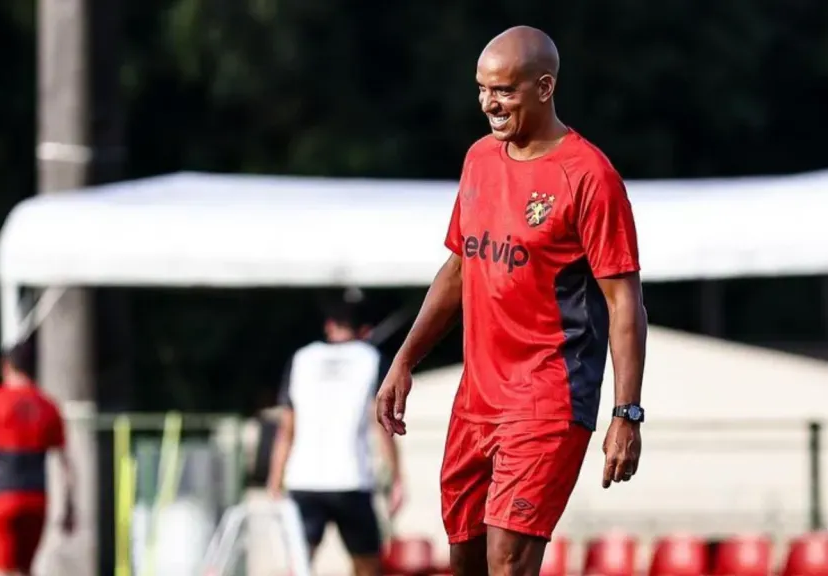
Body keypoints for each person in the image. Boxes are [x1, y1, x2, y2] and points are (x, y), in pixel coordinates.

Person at [376, 25, 648, 576]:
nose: (488, 104)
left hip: (547, 398)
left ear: (544, 87)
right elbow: (459, 268)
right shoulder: (479, 158)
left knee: (508, 561)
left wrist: (627, 413)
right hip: (476, 400)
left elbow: (626, 304)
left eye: (503, 90)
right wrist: (404, 359)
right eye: (481, 89)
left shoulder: (589, 177)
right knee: (466, 560)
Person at [267, 302, 404, 576]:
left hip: (303, 479)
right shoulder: (371, 359)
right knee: (367, 566)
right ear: (365, 331)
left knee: (300, 563)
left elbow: (286, 429)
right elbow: (381, 424)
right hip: (351, 480)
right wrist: (397, 479)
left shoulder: (302, 358)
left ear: (329, 326)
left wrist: (274, 480)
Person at [0, 340, 75, 576]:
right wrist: (69, 506)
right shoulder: (48, 405)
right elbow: (66, 463)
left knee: (0, 570)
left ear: (5, 366)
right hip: (36, 499)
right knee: (25, 570)